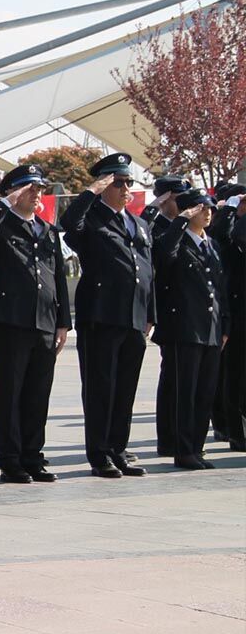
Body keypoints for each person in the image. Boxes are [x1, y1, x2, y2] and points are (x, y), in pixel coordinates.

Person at [0, 165, 70, 484]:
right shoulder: (2, 224)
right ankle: (10, 456)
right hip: (11, 321)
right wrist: (3, 205)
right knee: (9, 390)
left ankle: (32, 454)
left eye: (39, 188)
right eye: (29, 188)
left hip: (44, 321)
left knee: (38, 392)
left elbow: (58, 277)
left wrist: (63, 322)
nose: (37, 193)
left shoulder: (46, 229)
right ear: (14, 191)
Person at [60, 153, 153, 478]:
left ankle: (118, 447)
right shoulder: (92, 218)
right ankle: (100, 453)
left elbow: (146, 269)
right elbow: (68, 224)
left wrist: (149, 312)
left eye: (129, 181)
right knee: (101, 387)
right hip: (102, 316)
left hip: (133, 317)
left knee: (126, 388)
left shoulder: (138, 223)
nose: (127, 187)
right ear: (104, 185)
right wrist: (91, 192)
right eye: (119, 182)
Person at [153, 189, 231, 470]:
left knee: (205, 392)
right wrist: (179, 223)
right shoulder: (174, 241)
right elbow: (163, 257)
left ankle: (196, 448)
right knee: (184, 392)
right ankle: (183, 448)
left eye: (210, 208)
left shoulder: (211, 245)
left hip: (210, 329)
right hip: (184, 328)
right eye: (201, 208)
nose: (208, 213)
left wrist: (225, 325)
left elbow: (221, 289)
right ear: (187, 212)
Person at [143, 174, 192, 456]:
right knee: (173, 379)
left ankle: (184, 436)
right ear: (165, 199)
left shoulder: (183, 226)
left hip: (190, 313)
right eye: (177, 198)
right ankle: (168, 437)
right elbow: (163, 258)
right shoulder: (156, 226)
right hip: (170, 312)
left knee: (187, 380)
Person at [209, 182, 245, 451]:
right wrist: (232, 208)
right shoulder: (226, 231)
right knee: (234, 374)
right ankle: (234, 430)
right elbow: (228, 234)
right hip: (236, 311)